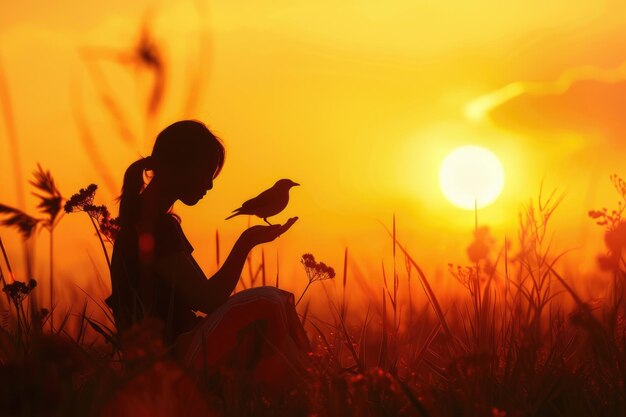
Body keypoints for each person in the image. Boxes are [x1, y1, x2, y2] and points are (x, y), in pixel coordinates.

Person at [108, 120, 310, 397]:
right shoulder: (156, 227)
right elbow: (209, 299)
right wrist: (247, 241)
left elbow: (202, 296)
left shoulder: (147, 221)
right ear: (179, 166)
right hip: (171, 355)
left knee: (271, 302)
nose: (209, 185)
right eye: (206, 173)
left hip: (166, 351)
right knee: (268, 303)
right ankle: (305, 391)